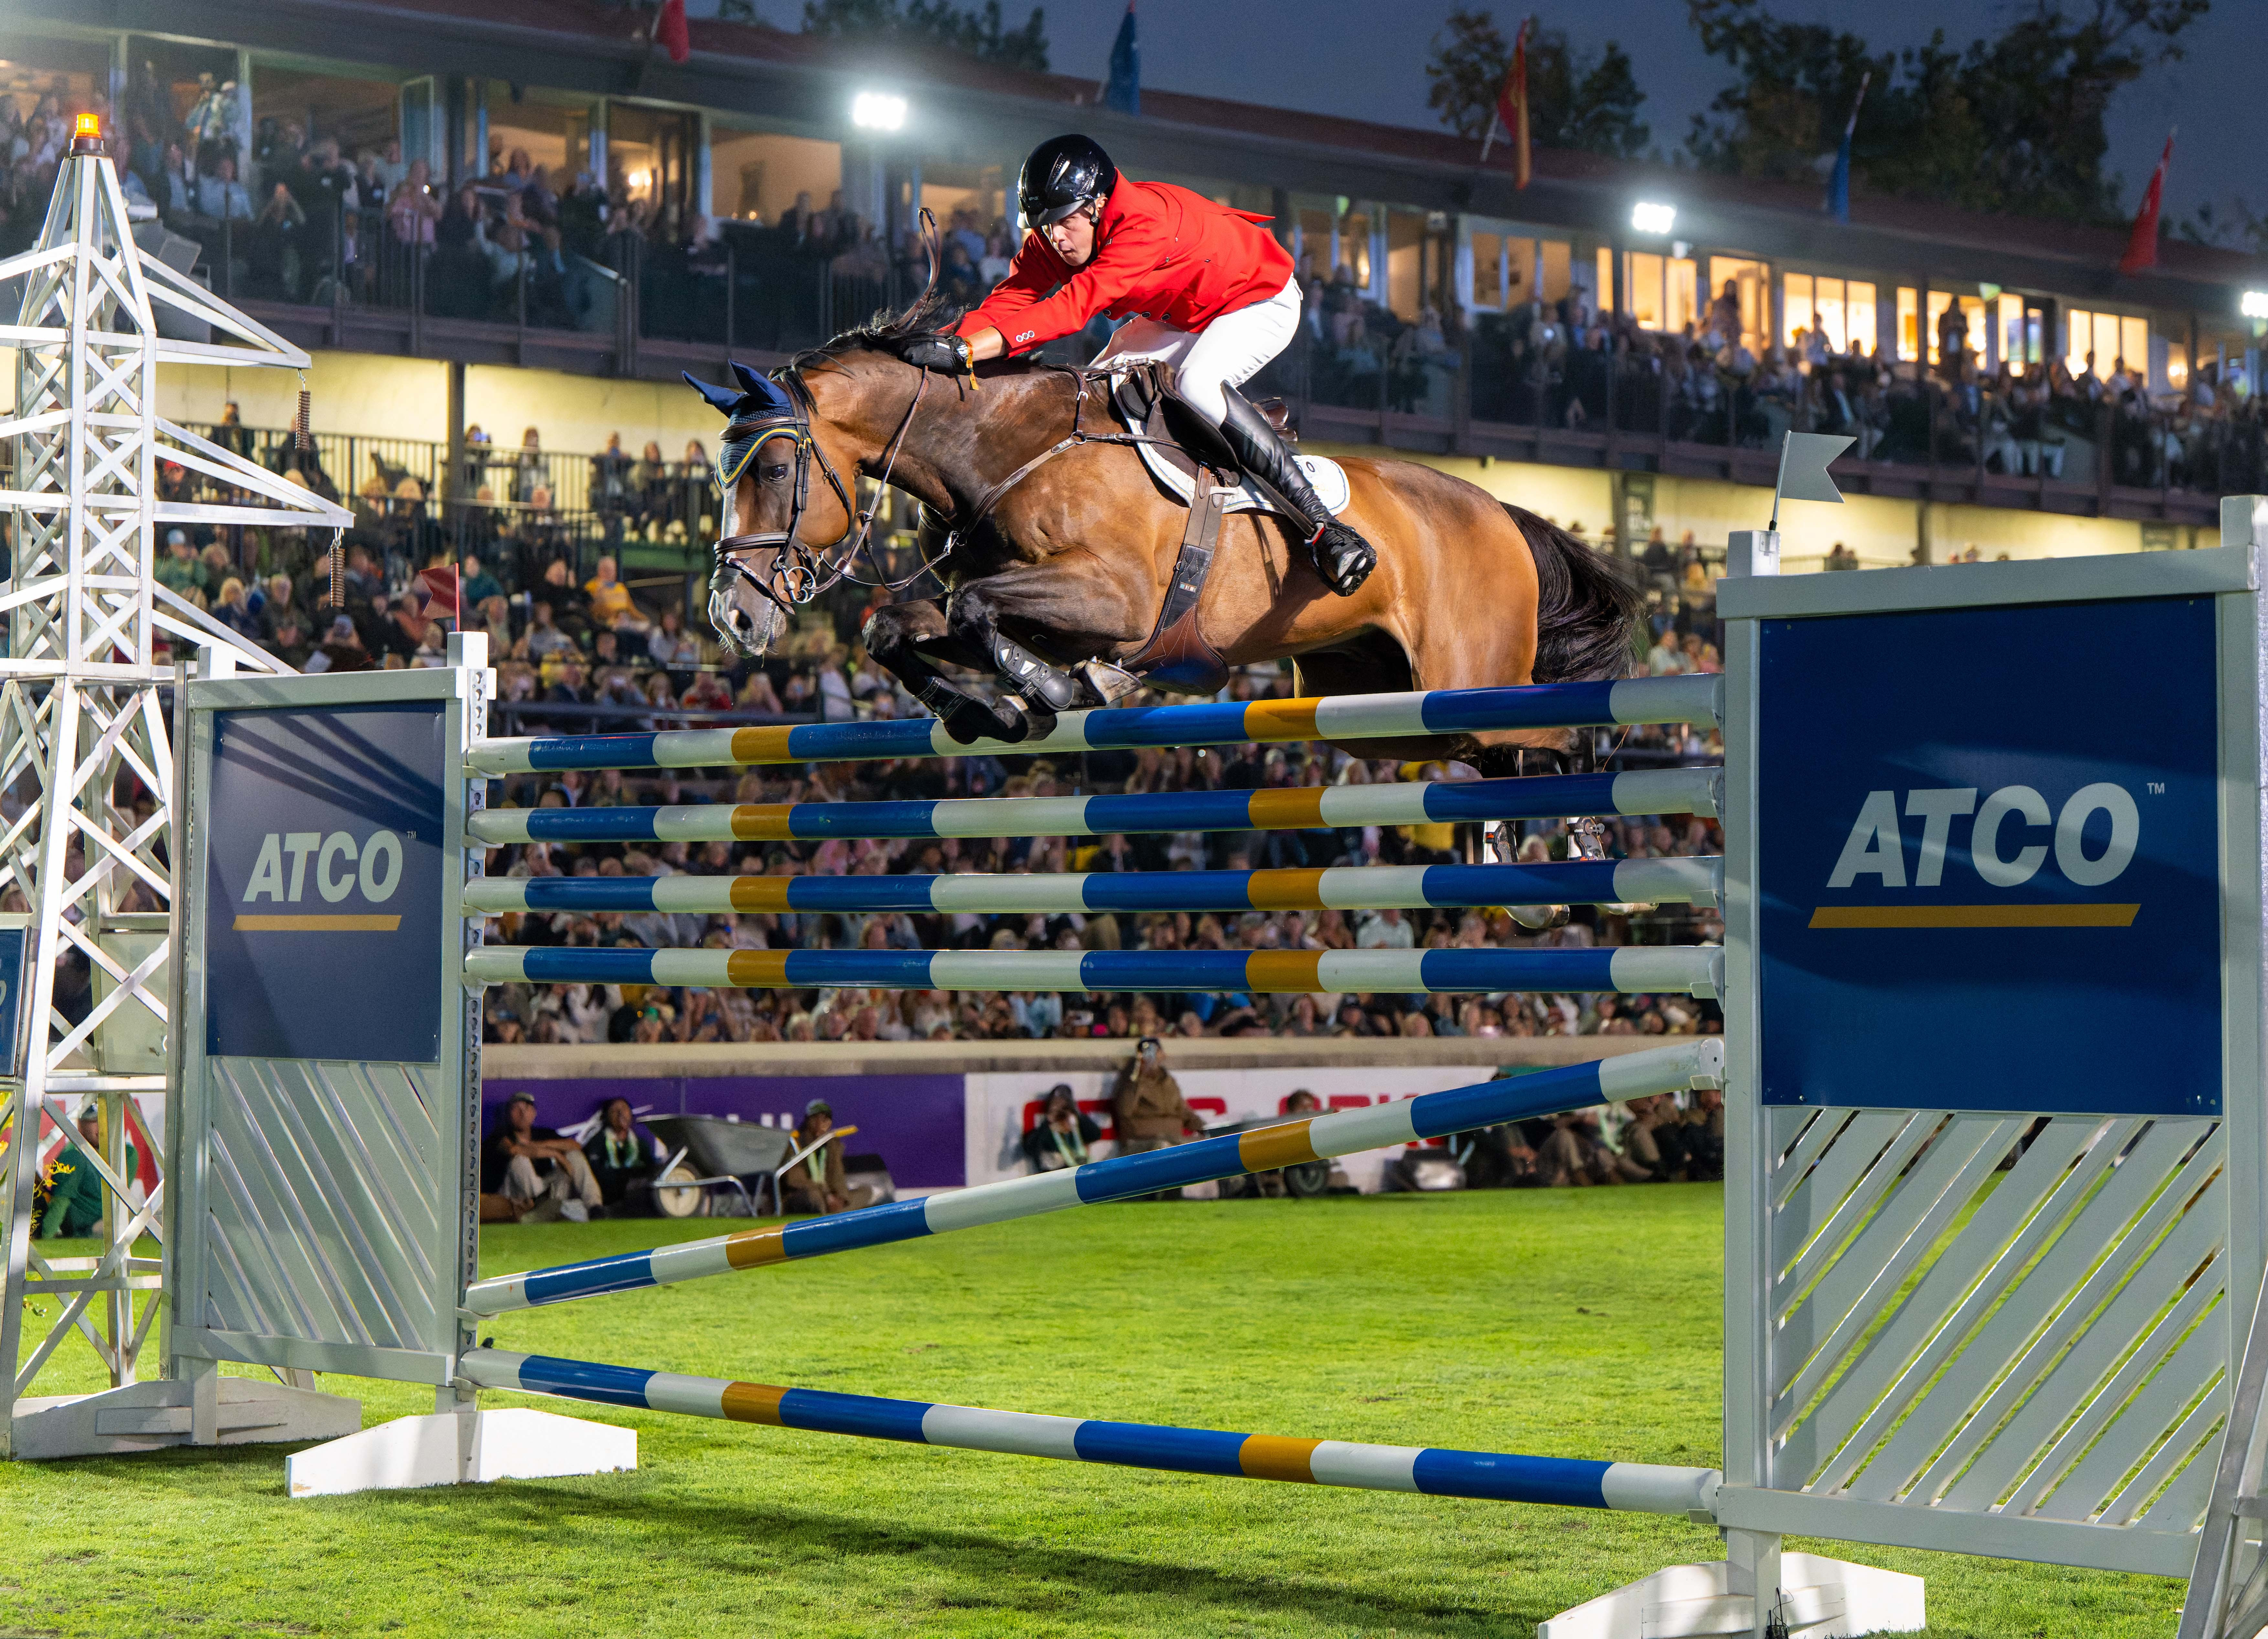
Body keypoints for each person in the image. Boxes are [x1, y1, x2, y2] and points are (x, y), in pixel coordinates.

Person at [888, 134, 1375, 598]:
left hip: (1260, 299)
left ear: (1098, 205)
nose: (1054, 237)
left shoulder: (1143, 225)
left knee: (1197, 385)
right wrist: (946, 343)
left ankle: (1323, 527)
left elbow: (1071, 309)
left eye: (1063, 222)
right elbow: (1013, 297)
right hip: (1189, 310)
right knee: (1097, 391)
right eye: (1043, 225)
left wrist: (970, 353)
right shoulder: (1063, 229)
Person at [481, 1091, 603, 1220]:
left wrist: (538, 1145)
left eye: (527, 1109)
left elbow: (575, 1146)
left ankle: (595, 1208)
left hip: (544, 1192)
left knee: (574, 1156)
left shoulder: (542, 1134)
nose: (522, 1114)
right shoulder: (499, 1136)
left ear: (534, 1114)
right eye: (517, 1109)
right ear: (509, 1114)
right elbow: (514, 1150)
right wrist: (556, 1154)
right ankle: (537, 1211)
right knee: (520, 1161)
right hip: (514, 1197)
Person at [1110, 1037, 1204, 1162]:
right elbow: (1124, 1111)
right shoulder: (1130, 1080)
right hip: (1141, 1144)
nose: (1152, 1056)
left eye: (1155, 1051)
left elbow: (1183, 1111)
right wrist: (1141, 1075)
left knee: (1208, 1146)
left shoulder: (1168, 1081)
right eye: (1147, 1052)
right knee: (1163, 1148)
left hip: (1173, 1139)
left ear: (1162, 1055)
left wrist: (1207, 1130)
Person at [779, 1097, 871, 1214]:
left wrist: (841, 1197)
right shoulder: (796, 1143)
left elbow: (837, 1176)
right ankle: (831, 1219)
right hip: (805, 1195)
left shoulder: (832, 1144)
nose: (819, 1124)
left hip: (829, 1196)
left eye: (824, 1120)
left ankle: (837, 1214)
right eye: (815, 1119)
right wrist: (826, 1194)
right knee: (814, 1196)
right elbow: (796, 1180)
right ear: (808, 1122)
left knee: (866, 1192)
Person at [581, 1096, 658, 1209]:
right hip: (608, 1196)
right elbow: (595, 1172)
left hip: (638, 1195)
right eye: (615, 1111)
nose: (621, 1114)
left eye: (624, 1110)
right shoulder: (598, 1141)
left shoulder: (639, 1143)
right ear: (607, 1117)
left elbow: (652, 1168)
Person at [1020, 1083, 1101, 1172]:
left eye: (1065, 1107)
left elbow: (1096, 1135)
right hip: (1055, 1179)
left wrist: (1077, 1116)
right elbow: (1030, 1148)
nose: (1062, 1114)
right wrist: (1049, 1122)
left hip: (1081, 1175)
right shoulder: (1048, 1132)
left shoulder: (1078, 1127)